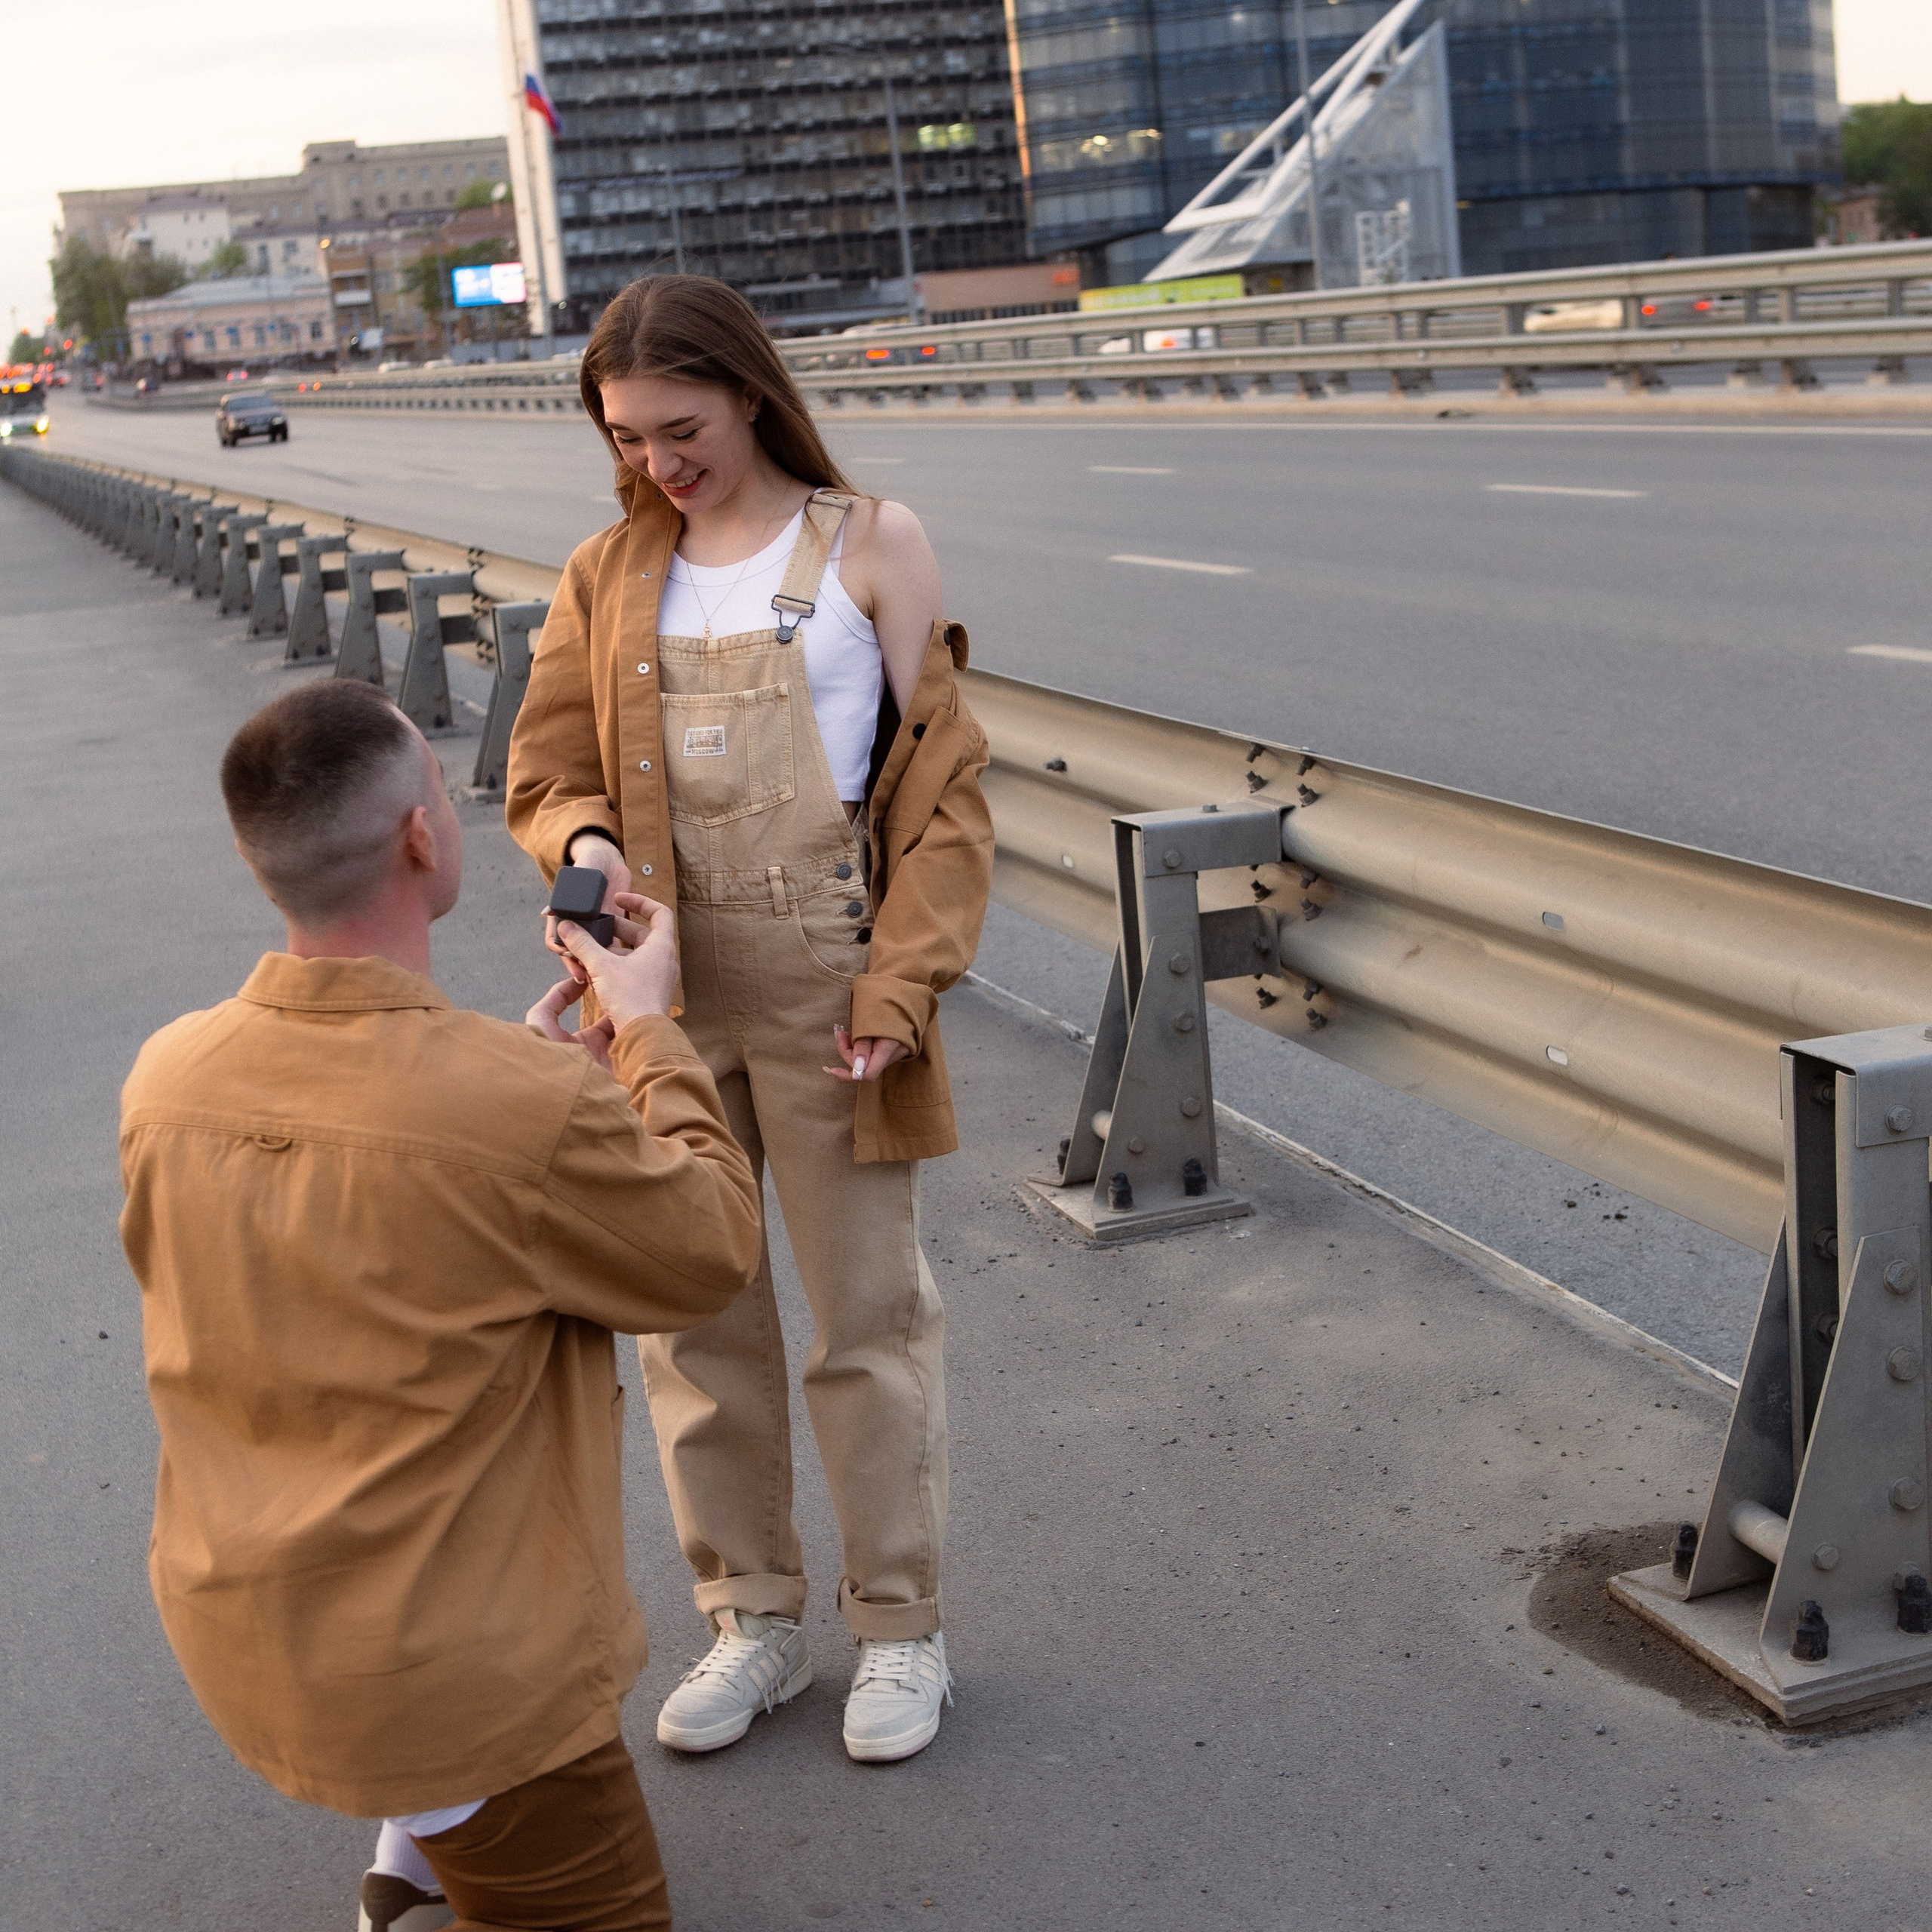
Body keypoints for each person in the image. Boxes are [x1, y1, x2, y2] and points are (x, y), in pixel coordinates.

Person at [119, 679, 762, 1932]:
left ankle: (415, 1854)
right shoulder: (515, 1109)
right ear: (423, 836)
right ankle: (445, 1828)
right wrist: (644, 1032)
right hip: (458, 1680)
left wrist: (542, 1106)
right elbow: (712, 1248)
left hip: (247, 1622)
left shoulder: (167, 1078)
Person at [507, 274, 993, 1764]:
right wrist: (588, 850)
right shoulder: (604, 573)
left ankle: (900, 1628)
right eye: (627, 436)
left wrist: (901, 984)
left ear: (749, 393)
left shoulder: (872, 543)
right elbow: (547, 772)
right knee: (690, 1327)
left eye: (682, 428)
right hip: (654, 995)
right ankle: (754, 1619)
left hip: (827, 990)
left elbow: (944, 798)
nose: (658, 461)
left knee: (866, 1323)